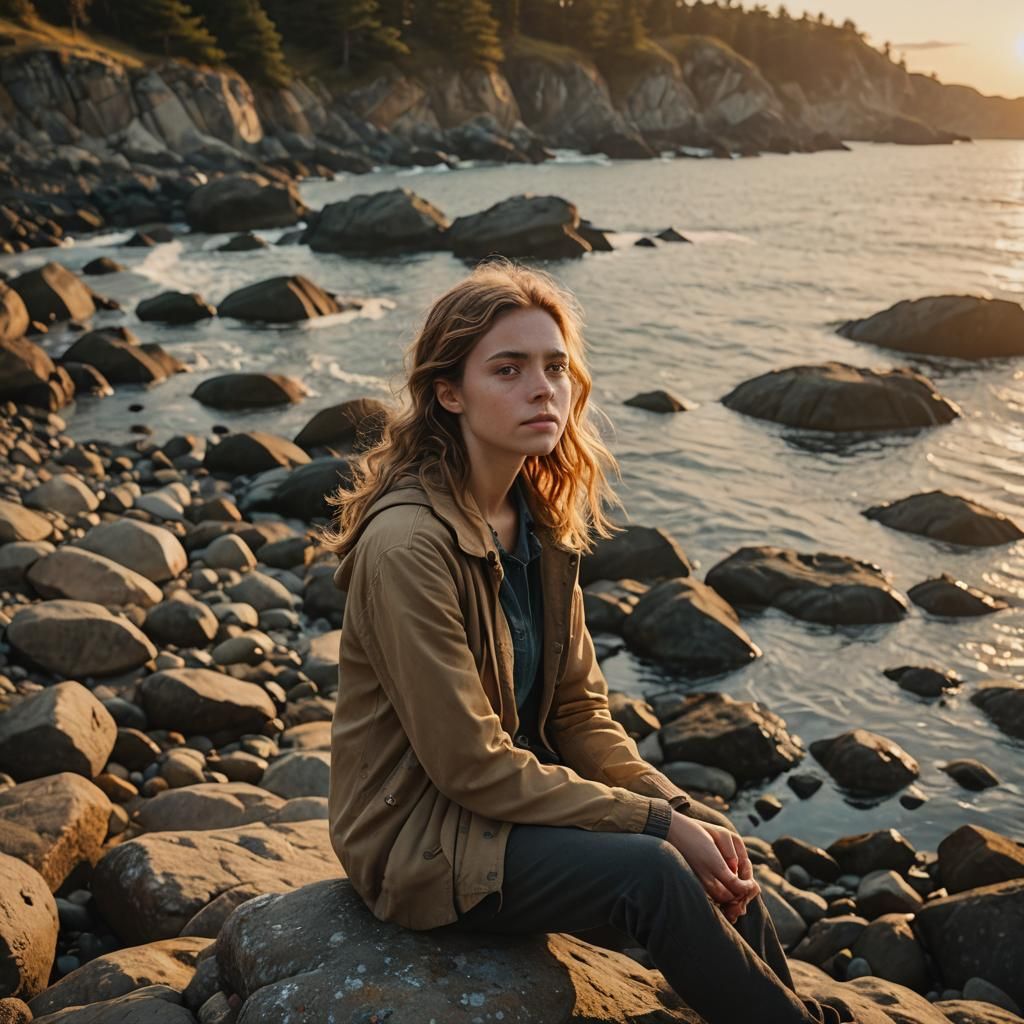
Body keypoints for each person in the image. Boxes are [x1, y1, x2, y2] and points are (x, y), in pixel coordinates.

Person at [324, 260, 850, 1024]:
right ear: (448, 392)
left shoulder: (536, 521)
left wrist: (676, 807)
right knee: (653, 871)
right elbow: (468, 763)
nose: (543, 389)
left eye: (555, 367)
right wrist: (657, 826)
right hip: (419, 840)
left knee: (712, 844)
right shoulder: (409, 545)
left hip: (508, 812)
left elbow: (578, 716)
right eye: (508, 369)